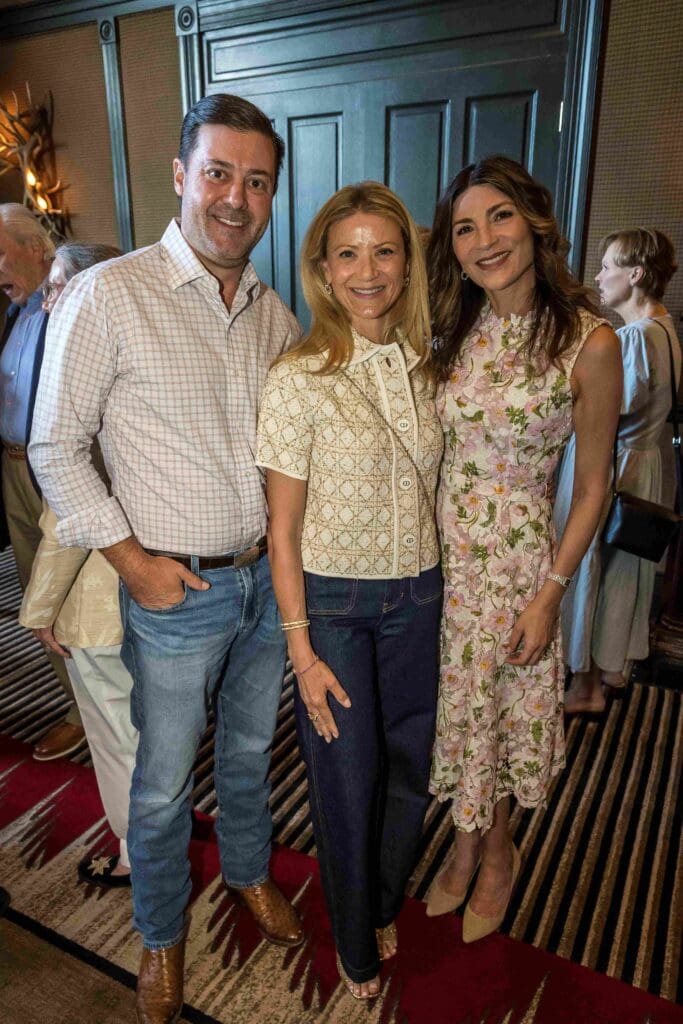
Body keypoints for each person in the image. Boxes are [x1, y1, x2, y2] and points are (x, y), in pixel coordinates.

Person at [29, 94, 303, 1024]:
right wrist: (129, 559)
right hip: (173, 585)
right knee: (160, 780)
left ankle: (249, 873)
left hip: (268, 578)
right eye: (218, 173)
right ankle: (158, 935)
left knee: (253, 750)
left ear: (271, 195)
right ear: (181, 177)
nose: (236, 196)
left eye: (256, 180)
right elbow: (53, 446)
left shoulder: (277, 315)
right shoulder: (113, 293)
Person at [424, 155, 622, 941]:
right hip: (441, 569)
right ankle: (464, 840)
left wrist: (551, 592)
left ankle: (495, 852)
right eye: (464, 227)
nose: (483, 240)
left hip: (515, 572)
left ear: (533, 221)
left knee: (500, 721)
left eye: (497, 217)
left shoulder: (588, 342)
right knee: (459, 717)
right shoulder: (453, 329)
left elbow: (594, 486)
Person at [256, 182, 443, 999]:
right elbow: (281, 531)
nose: (367, 269)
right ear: (323, 273)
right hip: (332, 606)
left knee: (408, 768)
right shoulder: (297, 376)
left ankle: (378, 899)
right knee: (346, 775)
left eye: (384, 250)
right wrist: (298, 649)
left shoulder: (430, 367)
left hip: (420, 596)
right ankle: (353, 941)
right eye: (347, 253)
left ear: (405, 264)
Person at [20, 241, 136, 888]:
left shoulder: (83, 368)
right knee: (142, 725)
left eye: (60, 284)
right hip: (142, 579)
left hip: (97, 590)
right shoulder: (129, 356)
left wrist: (39, 609)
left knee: (118, 736)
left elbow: (69, 516)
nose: (48, 297)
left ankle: (135, 857)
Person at [555, 228, 681, 713]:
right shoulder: (665, 330)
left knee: (592, 572)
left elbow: (608, 412)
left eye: (608, 266)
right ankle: (611, 669)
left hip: (615, 467)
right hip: (644, 464)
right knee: (623, 573)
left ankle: (584, 686)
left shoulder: (632, 338)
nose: (599, 276)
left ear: (636, 274)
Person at [0, 204, 85, 761]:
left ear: (38, 248)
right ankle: (76, 701)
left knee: (71, 595)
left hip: (56, 467)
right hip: (13, 469)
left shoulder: (72, 294)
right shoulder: (13, 308)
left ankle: (93, 710)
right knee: (37, 597)